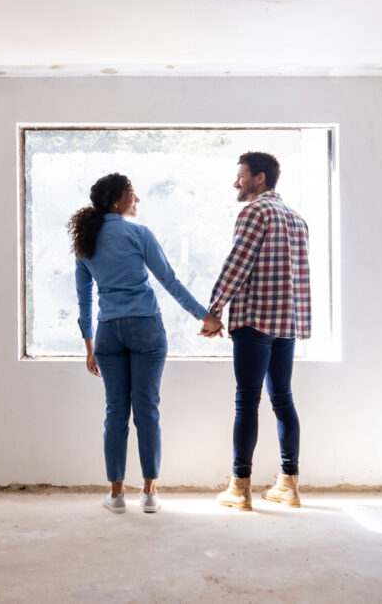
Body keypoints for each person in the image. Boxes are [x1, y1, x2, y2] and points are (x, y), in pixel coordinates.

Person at [70, 173, 223, 514]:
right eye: (132, 195)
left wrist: (89, 345)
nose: (137, 201)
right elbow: (168, 279)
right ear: (117, 201)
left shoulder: (86, 240)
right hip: (146, 330)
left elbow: (83, 297)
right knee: (147, 411)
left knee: (115, 413)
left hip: (108, 332)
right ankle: (150, 493)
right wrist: (205, 317)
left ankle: (116, 495)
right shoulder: (138, 234)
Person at [202, 152, 311, 511]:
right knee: (283, 399)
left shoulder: (254, 212)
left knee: (246, 400)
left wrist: (214, 310)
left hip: (255, 321)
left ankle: (240, 487)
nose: (237, 182)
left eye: (241, 176)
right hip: (286, 323)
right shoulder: (296, 218)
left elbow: (237, 263)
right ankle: (288, 485)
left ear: (260, 178)